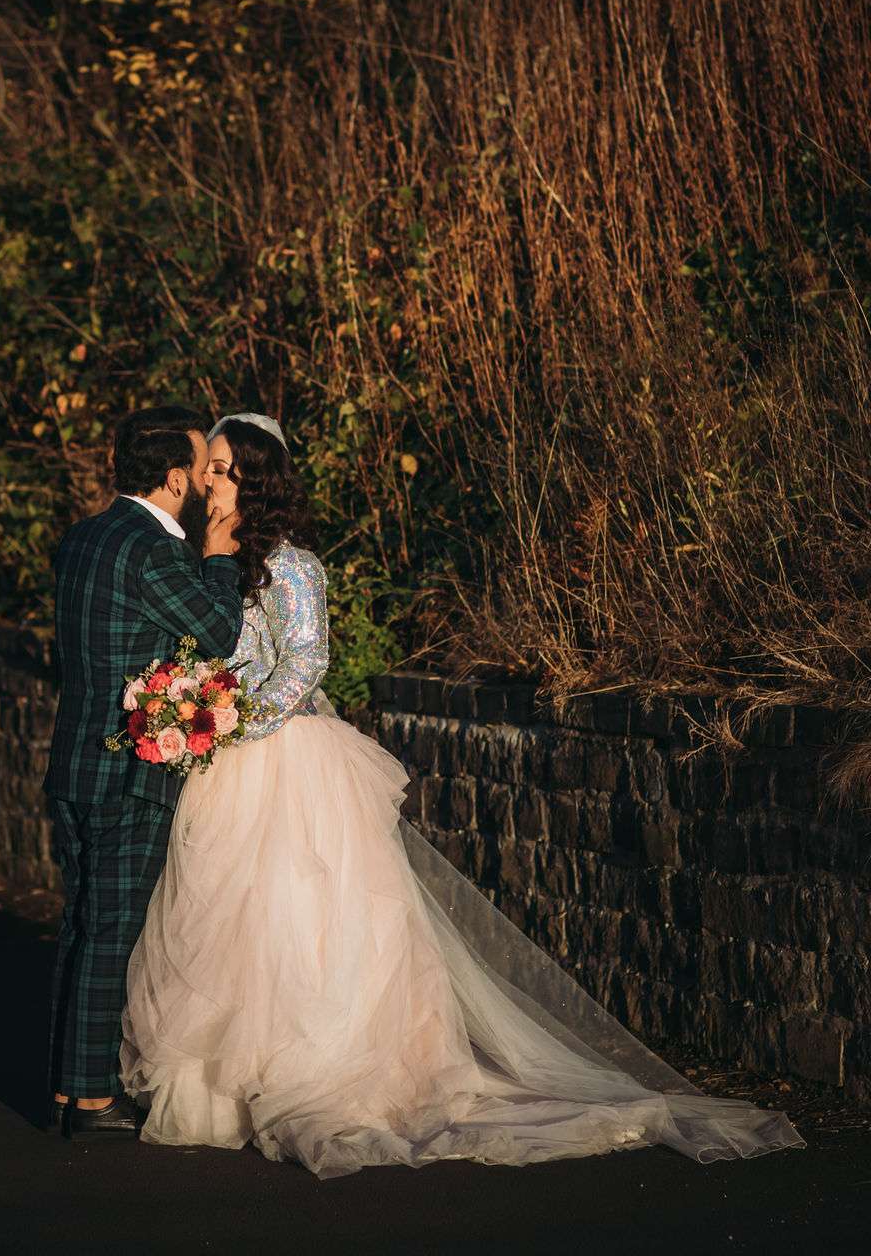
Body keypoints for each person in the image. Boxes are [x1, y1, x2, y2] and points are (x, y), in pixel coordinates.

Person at [121, 412, 804, 1178]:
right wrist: (199, 710)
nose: (208, 481)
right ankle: (227, 1090)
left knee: (299, 915)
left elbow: (305, 663)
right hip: (226, 765)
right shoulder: (209, 561)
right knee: (227, 923)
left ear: (255, 478)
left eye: (221, 468)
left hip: (285, 757)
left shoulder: (293, 566)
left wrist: (237, 721)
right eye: (208, 468)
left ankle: (311, 1070)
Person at [44, 405, 243, 1138]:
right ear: (174, 478)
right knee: (112, 931)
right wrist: (218, 555)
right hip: (129, 770)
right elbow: (219, 631)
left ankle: (66, 1086)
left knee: (79, 926)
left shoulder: (81, 536)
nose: (204, 482)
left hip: (72, 761)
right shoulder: (154, 550)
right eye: (197, 466)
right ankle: (89, 1097)